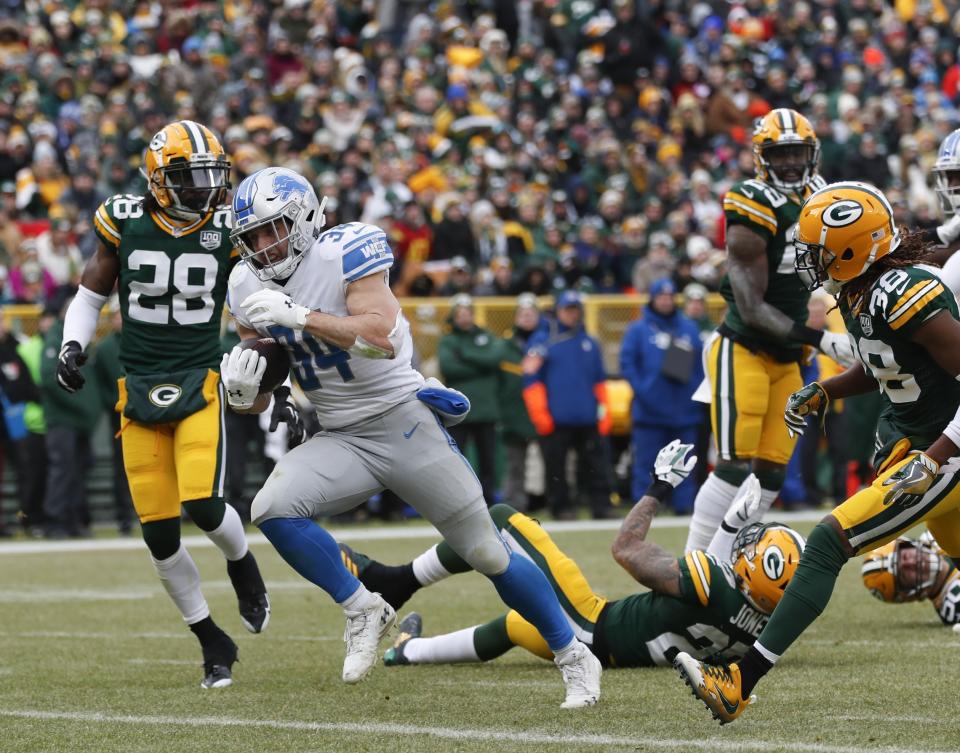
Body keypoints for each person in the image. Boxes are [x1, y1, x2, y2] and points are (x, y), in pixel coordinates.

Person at [220, 166, 602, 708]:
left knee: (487, 552)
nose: (263, 246)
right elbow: (266, 381)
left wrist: (303, 316)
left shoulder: (346, 250)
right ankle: (363, 608)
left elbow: (378, 337)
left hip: (402, 420)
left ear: (304, 218)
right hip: (341, 435)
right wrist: (243, 393)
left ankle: (574, 654)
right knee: (273, 507)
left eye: (272, 229)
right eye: (252, 237)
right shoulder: (244, 283)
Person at [675, 181, 960, 724]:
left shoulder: (905, 292)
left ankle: (739, 682)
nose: (807, 259)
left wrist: (936, 454)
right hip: (923, 444)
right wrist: (827, 388)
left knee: (829, 540)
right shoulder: (861, 289)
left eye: (817, 249)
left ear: (853, 248)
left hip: (944, 450)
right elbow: (885, 362)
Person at [54, 121, 271, 689]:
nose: (205, 187)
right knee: (158, 534)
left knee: (202, 502)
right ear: (158, 179)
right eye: (191, 176)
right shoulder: (124, 219)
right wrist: (72, 344)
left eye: (211, 175)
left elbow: (256, 302)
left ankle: (244, 565)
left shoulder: (228, 228)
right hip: (138, 387)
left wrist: (271, 361)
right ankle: (210, 639)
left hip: (199, 378)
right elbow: (90, 293)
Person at [335, 442, 802, 671]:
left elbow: (627, 549)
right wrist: (727, 529)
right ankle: (407, 653)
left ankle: (394, 581)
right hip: (607, 652)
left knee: (498, 517)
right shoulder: (767, 628)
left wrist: (661, 484)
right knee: (515, 625)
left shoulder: (717, 585)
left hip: (588, 624)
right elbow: (716, 590)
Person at [684, 108, 855, 553]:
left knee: (773, 469)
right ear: (763, 158)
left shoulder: (821, 195)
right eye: (782, 154)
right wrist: (823, 339)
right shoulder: (751, 202)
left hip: (789, 357)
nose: (792, 163)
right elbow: (752, 308)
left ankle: (726, 559)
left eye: (798, 152)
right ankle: (693, 565)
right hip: (743, 346)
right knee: (734, 464)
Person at [523, 291, 614, 519]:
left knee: (596, 466)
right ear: (558, 311)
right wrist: (540, 415)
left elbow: (599, 384)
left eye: (575, 310)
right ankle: (561, 507)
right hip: (556, 419)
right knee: (556, 469)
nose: (572, 314)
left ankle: (601, 506)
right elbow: (531, 381)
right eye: (568, 309)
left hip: (587, 416)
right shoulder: (542, 342)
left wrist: (604, 414)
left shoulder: (590, 343)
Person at [620, 278, 705, 514]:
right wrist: (644, 389)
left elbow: (702, 366)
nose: (666, 301)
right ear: (653, 299)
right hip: (649, 411)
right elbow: (627, 364)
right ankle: (644, 508)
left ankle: (684, 505)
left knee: (684, 462)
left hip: (684, 411)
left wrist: (693, 394)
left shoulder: (688, 328)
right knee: (647, 464)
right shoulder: (638, 329)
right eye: (661, 296)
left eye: (670, 296)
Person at [40, 293, 100, 538]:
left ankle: (73, 522)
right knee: (63, 471)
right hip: (62, 420)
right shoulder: (55, 340)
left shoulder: (82, 343)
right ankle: (54, 522)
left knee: (76, 472)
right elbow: (48, 378)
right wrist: (82, 407)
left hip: (79, 422)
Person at [437, 293, 502, 506]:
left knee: (488, 461)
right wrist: (480, 365)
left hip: (486, 410)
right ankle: (460, 501)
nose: (464, 317)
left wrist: (464, 355)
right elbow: (448, 367)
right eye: (460, 313)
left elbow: (494, 359)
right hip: (458, 412)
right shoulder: (448, 340)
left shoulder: (485, 335)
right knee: (458, 460)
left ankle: (489, 502)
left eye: (468, 313)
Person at [90, 295, 133, 535]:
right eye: (117, 315)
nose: (121, 319)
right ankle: (124, 517)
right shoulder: (105, 348)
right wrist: (118, 404)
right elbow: (101, 386)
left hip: (148, 412)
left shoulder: (143, 342)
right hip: (120, 416)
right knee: (122, 467)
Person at [499, 293, 542, 511]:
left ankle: (549, 503)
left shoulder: (548, 341)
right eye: (523, 313)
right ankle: (515, 506)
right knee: (515, 464)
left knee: (551, 463)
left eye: (531, 313)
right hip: (515, 412)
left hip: (545, 413)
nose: (527, 317)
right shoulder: (505, 346)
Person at [861, 532, 960, 626]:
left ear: (906, 543)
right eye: (904, 574)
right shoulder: (953, 603)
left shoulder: (934, 535)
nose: (912, 563)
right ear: (908, 593)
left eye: (905, 556)